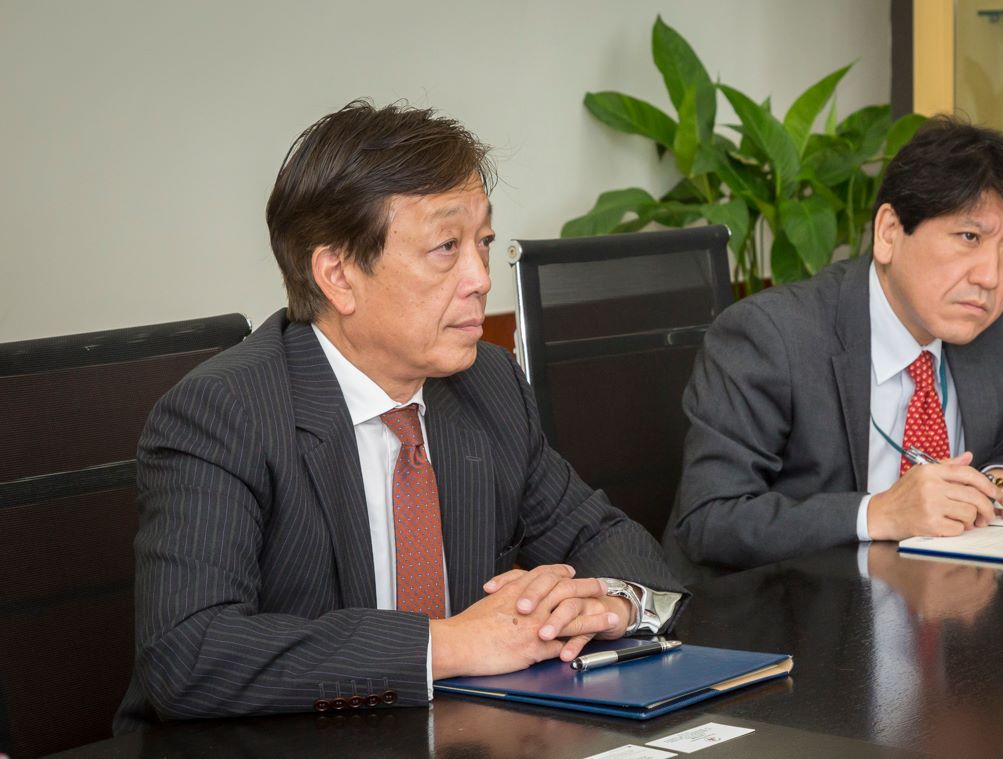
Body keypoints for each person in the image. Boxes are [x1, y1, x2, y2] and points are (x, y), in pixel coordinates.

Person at [114, 100, 686, 732]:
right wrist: (452, 644)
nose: (479, 278)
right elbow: (189, 654)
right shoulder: (224, 414)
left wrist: (611, 604)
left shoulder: (487, 385)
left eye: (482, 244)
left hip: (455, 736)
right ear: (338, 275)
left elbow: (608, 541)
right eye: (445, 247)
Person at [664, 116, 1003, 579]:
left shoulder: (996, 333)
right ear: (889, 233)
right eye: (969, 237)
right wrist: (879, 513)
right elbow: (709, 519)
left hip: (951, 596)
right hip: (793, 606)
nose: (990, 277)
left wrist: (995, 486)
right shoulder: (772, 335)